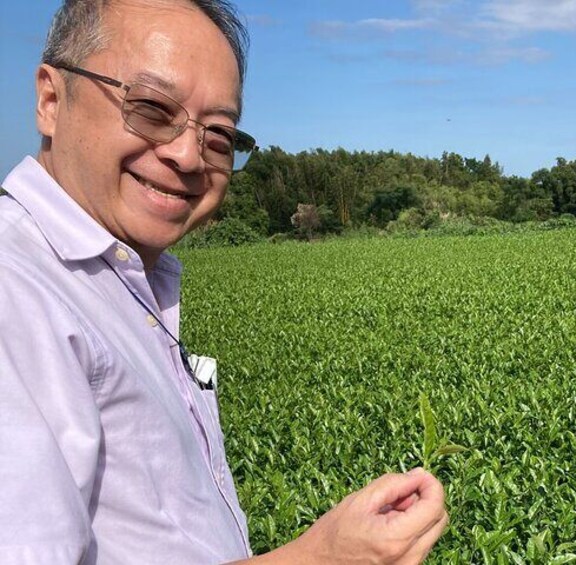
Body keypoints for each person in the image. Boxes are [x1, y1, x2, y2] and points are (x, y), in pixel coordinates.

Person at [0, 1, 448, 563]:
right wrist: (319, 558)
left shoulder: (121, 279)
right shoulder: (15, 293)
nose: (188, 155)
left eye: (218, 134)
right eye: (151, 107)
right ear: (51, 100)